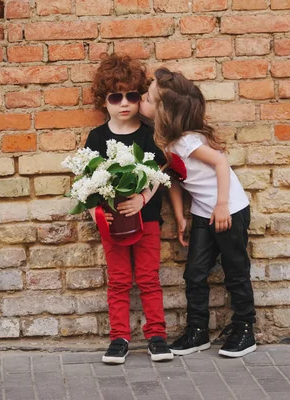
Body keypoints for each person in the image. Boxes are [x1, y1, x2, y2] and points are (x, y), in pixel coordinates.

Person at [139, 67, 257, 358]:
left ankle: (245, 329)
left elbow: (221, 163)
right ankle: (197, 331)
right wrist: (181, 216)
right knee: (194, 273)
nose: (142, 100)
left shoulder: (188, 141)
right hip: (204, 214)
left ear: (164, 111)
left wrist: (221, 206)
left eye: (148, 98)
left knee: (236, 272)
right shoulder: (166, 142)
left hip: (228, 211)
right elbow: (177, 180)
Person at [85, 53, 173, 364]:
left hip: (147, 220)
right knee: (119, 280)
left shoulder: (149, 134)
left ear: (139, 98)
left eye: (132, 96)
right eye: (115, 97)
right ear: (104, 101)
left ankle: (157, 336)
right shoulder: (97, 137)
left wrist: (142, 200)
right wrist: (98, 211)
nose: (124, 103)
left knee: (149, 278)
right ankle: (119, 337)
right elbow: (88, 183)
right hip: (113, 224)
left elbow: (160, 174)